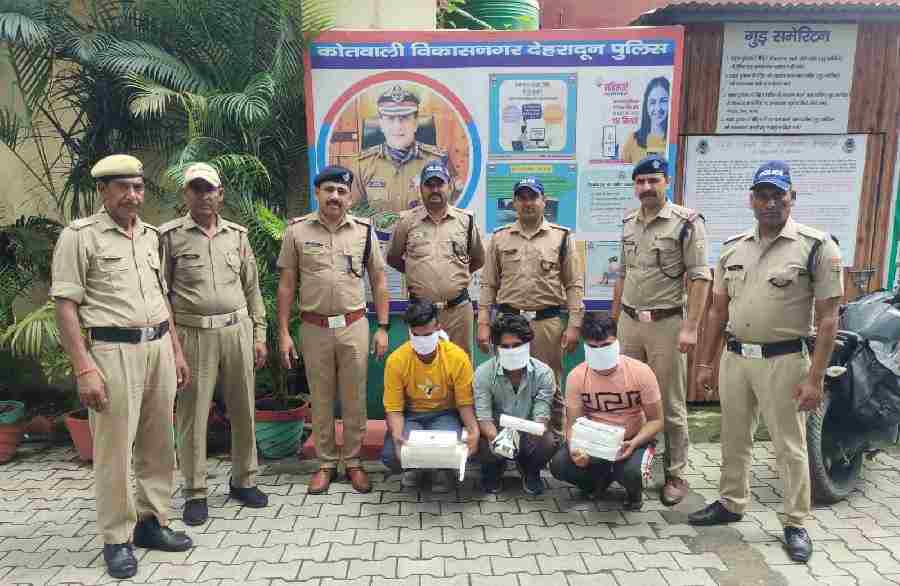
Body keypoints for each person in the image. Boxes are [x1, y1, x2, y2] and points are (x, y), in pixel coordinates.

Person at [688, 161, 843, 564]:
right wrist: (705, 363)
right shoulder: (733, 247)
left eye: (779, 195)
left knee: (789, 445)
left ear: (792, 198)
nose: (770, 203)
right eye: (763, 195)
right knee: (733, 436)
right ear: (751, 200)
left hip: (785, 360)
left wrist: (815, 378)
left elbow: (829, 318)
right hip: (736, 358)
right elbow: (717, 311)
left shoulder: (816, 246)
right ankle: (731, 501)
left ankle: (795, 522)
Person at [51, 154, 193, 579]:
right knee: (114, 450)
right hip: (112, 353)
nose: (133, 195)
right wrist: (84, 368)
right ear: (103, 190)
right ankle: (116, 538)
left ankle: (152, 521)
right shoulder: (79, 237)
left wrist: (176, 351)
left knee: (159, 443)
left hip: (158, 347)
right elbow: (65, 306)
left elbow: (161, 297)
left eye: (138, 187)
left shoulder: (149, 236)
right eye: (123, 187)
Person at [160, 162, 269, 526]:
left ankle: (244, 480)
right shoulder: (170, 237)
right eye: (196, 189)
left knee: (244, 408)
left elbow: (252, 289)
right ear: (186, 194)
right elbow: (162, 295)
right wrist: (173, 347)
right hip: (194, 334)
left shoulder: (237, 236)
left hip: (236, 330)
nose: (203, 196)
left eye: (209, 189)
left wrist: (259, 334)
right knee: (192, 414)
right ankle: (195, 491)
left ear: (220, 194)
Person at [277, 165, 390, 494]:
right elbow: (286, 285)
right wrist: (283, 332)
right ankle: (326, 463)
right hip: (314, 328)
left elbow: (379, 281)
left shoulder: (364, 232)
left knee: (355, 398)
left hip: (354, 325)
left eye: (341, 192)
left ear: (350, 198)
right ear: (318, 193)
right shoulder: (297, 232)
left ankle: (353, 462)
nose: (335, 197)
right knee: (321, 396)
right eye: (329, 190)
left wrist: (383, 327)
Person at [611, 154, 710, 507]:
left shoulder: (686, 223)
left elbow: (700, 278)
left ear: (666, 182)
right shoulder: (629, 222)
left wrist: (691, 327)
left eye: (653, 180)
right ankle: (631, 464)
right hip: (629, 322)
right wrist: (614, 320)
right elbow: (623, 274)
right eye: (640, 182)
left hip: (666, 323)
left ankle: (676, 473)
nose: (647, 187)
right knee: (628, 398)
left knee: (669, 402)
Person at [478, 176, 585, 435]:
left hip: (546, 323)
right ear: (514, 203)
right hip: (508, 323)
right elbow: (488, 284)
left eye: (533, 197)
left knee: (551, 384)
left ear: (544, 201)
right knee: (505, 382)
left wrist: (574, 325)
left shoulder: (561, 237)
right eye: (522, 198)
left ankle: (554, 440)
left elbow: (574, 284)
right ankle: (505, 441)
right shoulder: (500, 237)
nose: (527, 203)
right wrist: (483, 322)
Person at [550, 313, 663, 511]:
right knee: (560, 465)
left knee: (632, 473)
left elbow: (656, 420)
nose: (600, 351)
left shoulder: (641, 372)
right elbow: (572, 423)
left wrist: (635, 442)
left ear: (617, 342)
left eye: (606, 345)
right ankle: (597, 480)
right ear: (585, 346)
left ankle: (633, 491)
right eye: (593, 347)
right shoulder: (576, 376)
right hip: (594, 441)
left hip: (631, 439)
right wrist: (575, 448)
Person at [386, 159, 485, 358]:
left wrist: (454, 276)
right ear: (421, 189)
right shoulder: (406, 221)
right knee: (422, 364)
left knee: (460, 363)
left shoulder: (465, 220)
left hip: (458, 311)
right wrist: (416, 272)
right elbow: (393, 258)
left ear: (449, 186)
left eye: (440, 184)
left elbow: (478, 259)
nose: (435, 190)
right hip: (421, 312)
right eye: (429, 185)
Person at [381, 300, 480, 493]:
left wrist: (473, 430)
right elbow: (394, 408)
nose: (422, 340)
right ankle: (416, 468)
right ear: (409, 332)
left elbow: (465, 403)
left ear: (438, 328)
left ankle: (440, 470)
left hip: (446, 414)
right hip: (411, 415)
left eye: (427, 335)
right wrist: (397, 436)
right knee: (392, 455)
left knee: (449, 447)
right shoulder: (396, 360)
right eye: (416, 335)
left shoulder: (457, 357)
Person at [473, 314, 558, 495]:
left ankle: (530, 470)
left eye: (517, 345)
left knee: (548, 442)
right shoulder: (483, 373)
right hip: (495, 432)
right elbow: (483, 416)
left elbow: (542, 413)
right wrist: (499, 441)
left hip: (528, 431)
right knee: (479, 439)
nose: (511, 350)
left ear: (528, 344)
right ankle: (493, 470)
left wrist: (536, 432)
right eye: (505, 346)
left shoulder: (544, 373)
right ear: (496, 348)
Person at [344, 85, 458, 213]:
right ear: (381, 124)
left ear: (415, 123)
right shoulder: (361, 165)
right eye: (390, 119)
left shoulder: (439, 161)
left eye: (405, 118)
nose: (397, 126)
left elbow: (452, 210)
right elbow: (354, 213)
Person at [621, 77, 669, 164]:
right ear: (646, 105)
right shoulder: (633, 140)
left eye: (663, 101)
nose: (658, 108)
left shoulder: (673, 141)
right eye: (652, 102)